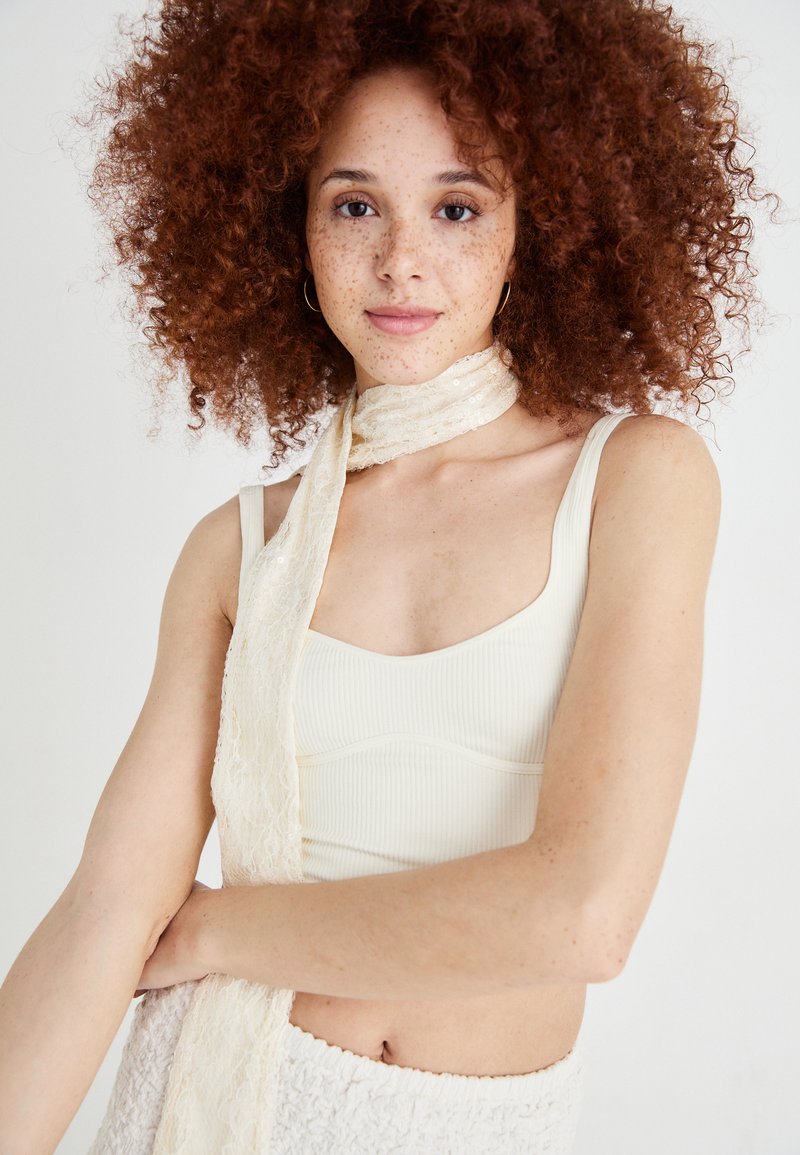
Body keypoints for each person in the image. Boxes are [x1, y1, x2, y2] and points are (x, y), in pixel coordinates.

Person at [0, 1, 771, 1152]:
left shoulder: (633, 481)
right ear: (289, 231)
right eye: (353, 204)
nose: (400, 259)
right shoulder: (241, 548)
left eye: (456, 208)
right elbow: (106, 910)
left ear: (535, 229)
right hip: (212, 1105)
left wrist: (215, 932)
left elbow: (580, 915)